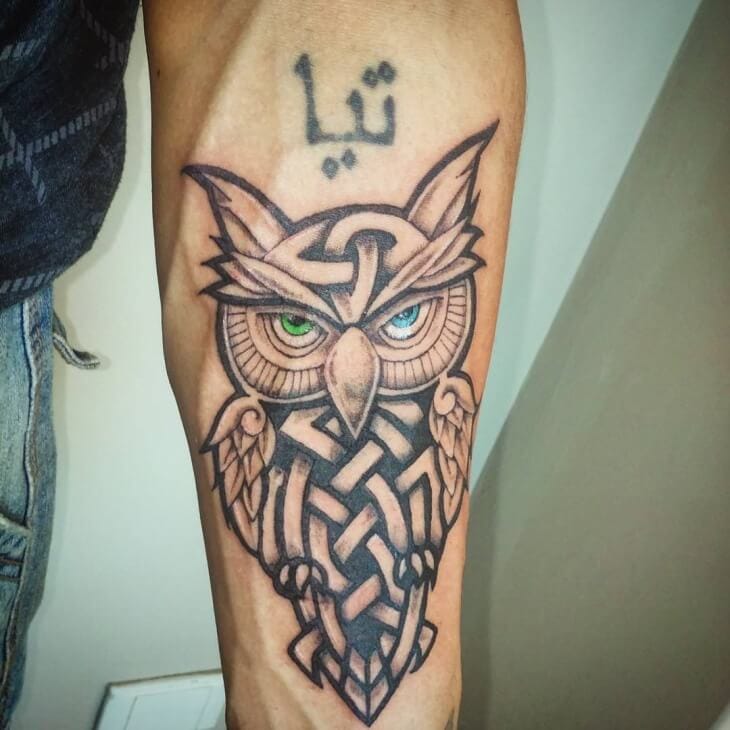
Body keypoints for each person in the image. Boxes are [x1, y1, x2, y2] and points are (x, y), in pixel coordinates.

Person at [0, 1, 525, 727]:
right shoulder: (263, 437)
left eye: (403, 316)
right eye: (297, 321)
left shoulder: (431, 412)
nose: (353, 376)